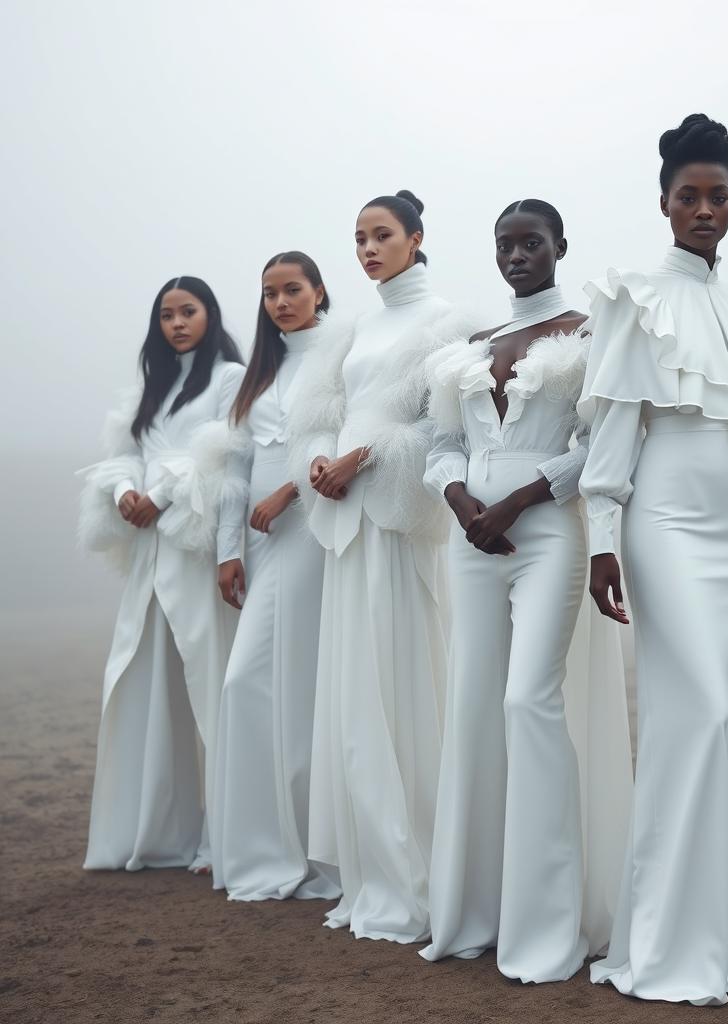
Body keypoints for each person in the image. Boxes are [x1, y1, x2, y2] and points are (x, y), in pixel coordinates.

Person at [579, 114, 728, 1004]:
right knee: (694, 713)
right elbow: (614, 430)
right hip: (665, 521)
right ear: (664, 204)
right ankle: (660, 943)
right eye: (688, 196)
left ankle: (707, 938)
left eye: (717, 196)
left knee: (726, 721)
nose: (703, 209)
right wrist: (604, 539)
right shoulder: (635, 299)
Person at [419, 200, 633, 982]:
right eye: (506, 245)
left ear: (558, 247)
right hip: (470, 542)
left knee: (526, 704)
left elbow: (597, 445)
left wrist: (513, 502)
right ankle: (476, 913)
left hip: (545, 537)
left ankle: (548, 928)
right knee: (475, 710)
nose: (517, 256)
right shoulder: (470, 349)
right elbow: (442, 445)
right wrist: (463, 504)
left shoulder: (586, 334)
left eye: (531, 243)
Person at [287, 191, 478, 941]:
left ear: (416, 238)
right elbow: (315, 415)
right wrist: (320, 463)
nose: (367, 249)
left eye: (381, 236)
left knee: (405, 681)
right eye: (359, 238)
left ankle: (425, 867)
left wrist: (366, 458)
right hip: (345, 524)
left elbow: (442, 423)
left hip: (399, 521)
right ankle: (371, 873)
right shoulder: (354, 326)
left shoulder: (450, 323)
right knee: (354, 693)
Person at [78, 276, 245, 873]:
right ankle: (154, 831)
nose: (177, 323)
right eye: (167, 314)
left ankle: (227, 835)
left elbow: (225, 452)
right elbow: (125, 451)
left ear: (209, 314)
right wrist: (127, 489)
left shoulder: (229, 379)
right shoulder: (149, 388)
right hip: (149, 550)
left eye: (188, 311)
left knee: (210, 675)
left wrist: (165, 494)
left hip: (194, 545)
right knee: (141, 677)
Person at [210, 252, 341, 901]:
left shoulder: (339, 354)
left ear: (319, 291)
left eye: (293, 289)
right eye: (269, 293)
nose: (281, 302)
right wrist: (225, 549)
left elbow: (347, 439)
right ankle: (262, 845)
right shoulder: (256, 373)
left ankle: (307, 853)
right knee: (263, 686)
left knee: (266, 682)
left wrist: (289, 493)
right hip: (258, 545)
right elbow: (233, 467)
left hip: (310, 533)